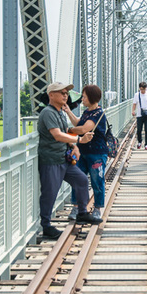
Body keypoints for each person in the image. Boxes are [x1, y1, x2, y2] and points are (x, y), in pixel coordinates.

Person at [37, 82, 103, 240]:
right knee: (50, 193)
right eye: (61, 92)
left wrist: (73, 145)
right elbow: (57, 135)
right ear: (51, 95)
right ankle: (46, 226)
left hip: (63, 158)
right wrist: (79, 140)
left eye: (66, 92)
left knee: (81, 180)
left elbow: (66, 131)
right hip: (51, 160)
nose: (65, 95)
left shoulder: (59, 112)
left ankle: (81, 213)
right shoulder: (48, 112)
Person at [63, 84, 108, 220]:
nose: (82, 99)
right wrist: (68, 111)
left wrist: (67, 131)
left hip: (97, 153)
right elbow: (79, 123)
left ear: (91, 97)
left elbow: (83, 129)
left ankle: (97, 209)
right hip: (82, 152)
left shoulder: (98, 113)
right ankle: (77, 207)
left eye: (84, 97)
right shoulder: (87, 112)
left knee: (97, 180)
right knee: (78, 179)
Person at [132, 82, 147, 150]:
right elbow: (134, 104)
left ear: (146, 88)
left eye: (143, 89)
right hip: (139, 114)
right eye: (141, 89)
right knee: (139, 130)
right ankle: (139, 141)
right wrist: (133, 111)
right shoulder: (137, 95)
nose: (142, 91)